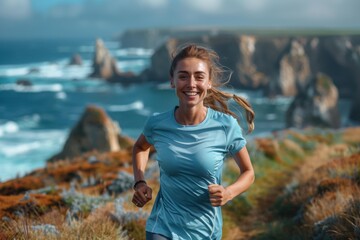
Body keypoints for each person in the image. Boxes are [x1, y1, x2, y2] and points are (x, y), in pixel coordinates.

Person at [132, 44, 255, 240]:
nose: (191, 84)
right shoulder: (157, 124)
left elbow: (248, 173)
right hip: (162, 226)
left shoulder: (225, 126)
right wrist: (139, 182)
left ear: (208, 82)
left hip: (206, 231)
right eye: (183, 76)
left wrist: (229, 193)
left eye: (199, 76)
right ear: (172, 81)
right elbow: (140, 147)